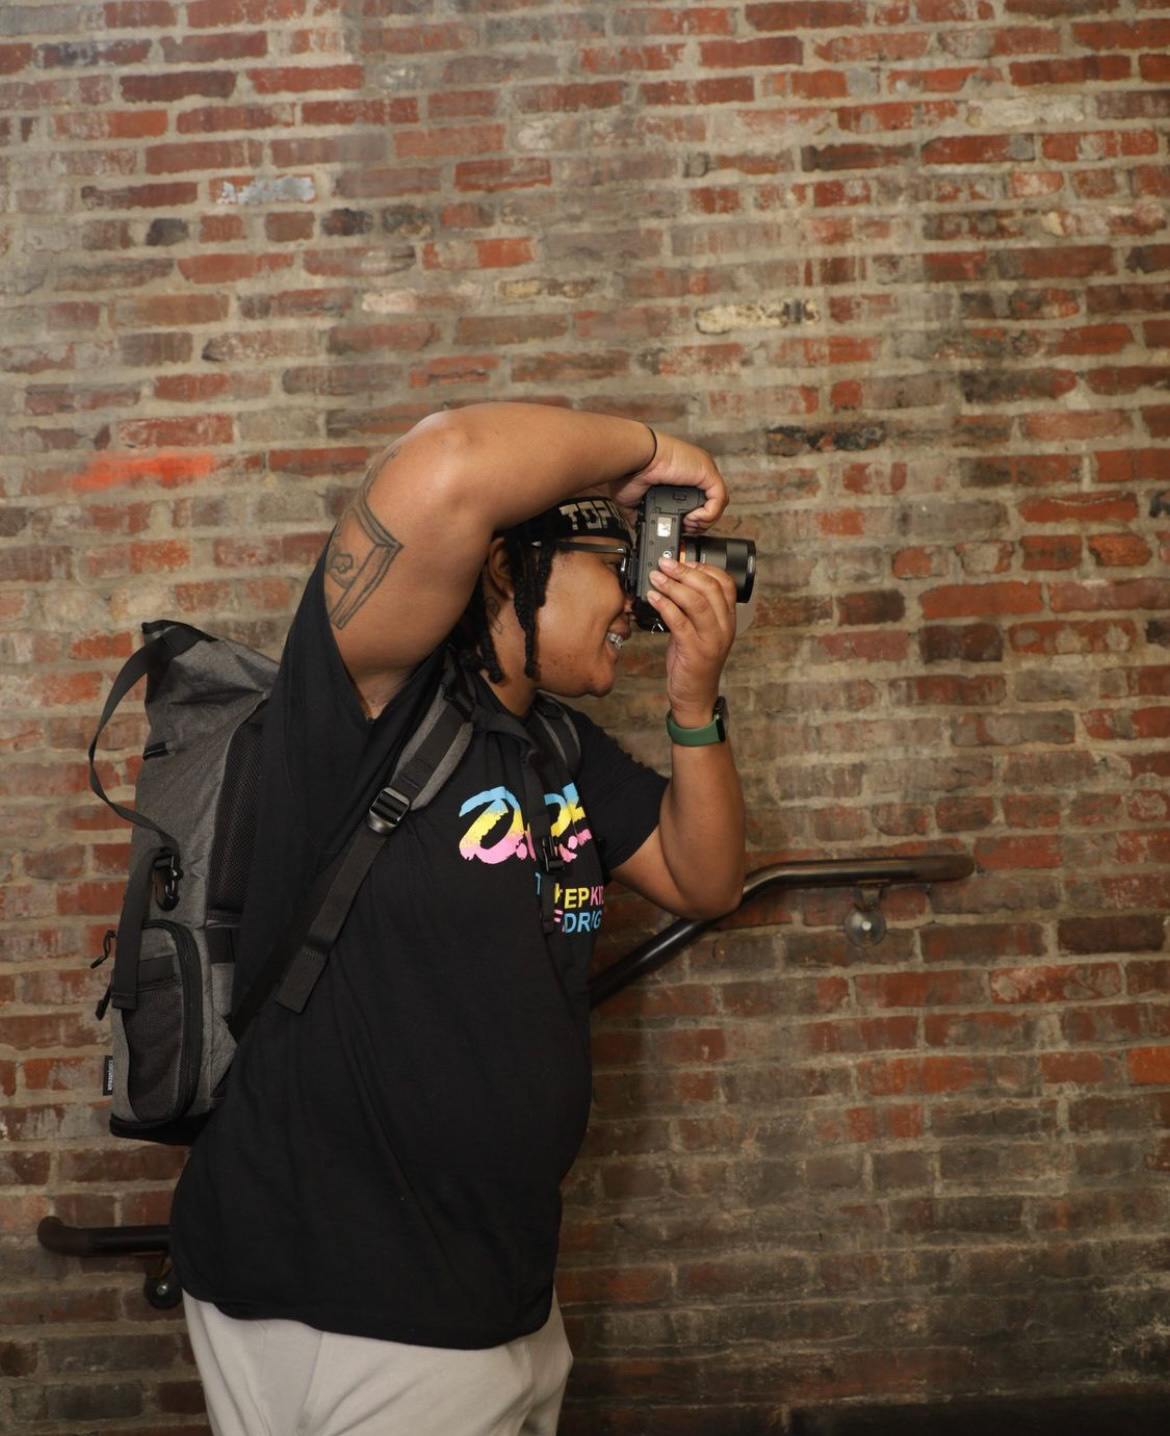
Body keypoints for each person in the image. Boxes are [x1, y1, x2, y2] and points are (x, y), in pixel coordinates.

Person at [170, 403, 746, 1436]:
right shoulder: (370, 702)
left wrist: (695, 706)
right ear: (506, 573)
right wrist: (652, 452)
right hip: (346, 1292)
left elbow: (704, 879)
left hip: (498, 1285)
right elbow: (448, 458)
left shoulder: (559, 749)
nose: (638, 594)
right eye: (611, 563)